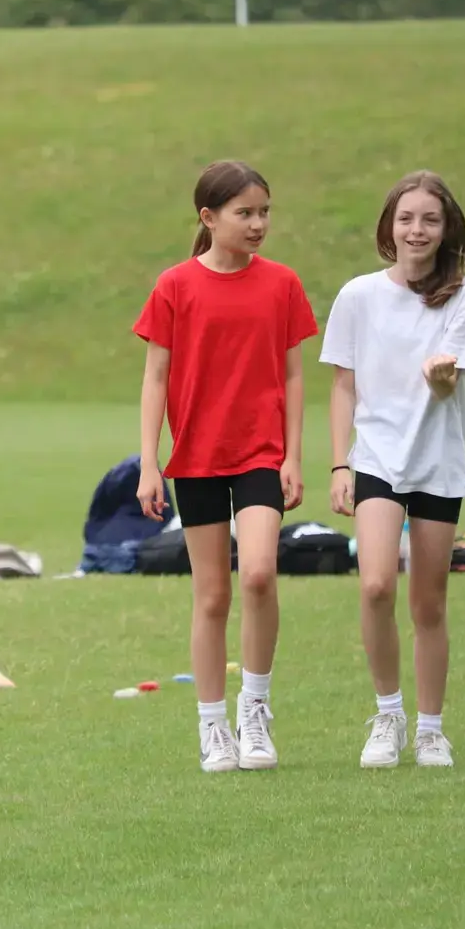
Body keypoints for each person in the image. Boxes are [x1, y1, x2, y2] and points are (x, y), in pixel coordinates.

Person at [134, 160, 317, 773]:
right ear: (209, 218)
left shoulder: (283, 284)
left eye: (264, 211)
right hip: (198, 459)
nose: (259, 223)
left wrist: (293, 454)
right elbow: (155, 376)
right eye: (246, 213)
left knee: (260, 574)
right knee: (212, 595)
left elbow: (293, 374)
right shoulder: (174, 286)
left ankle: (254, 711)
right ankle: (213, 727)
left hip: (261, 453)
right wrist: (149, 464)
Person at [322, 170, 465, 770]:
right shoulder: (359, 296)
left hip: (438, 465)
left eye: (430, 220)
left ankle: (431, 729)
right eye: (407, 218)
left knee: (429, 603)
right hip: (376, 461)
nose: (417, 230)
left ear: (447, 231)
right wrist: (340, 461)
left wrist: (441, 379)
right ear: (389, 226)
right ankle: (387, 715)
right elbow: (343, 384)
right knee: (375, 586)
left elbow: (448, 392)